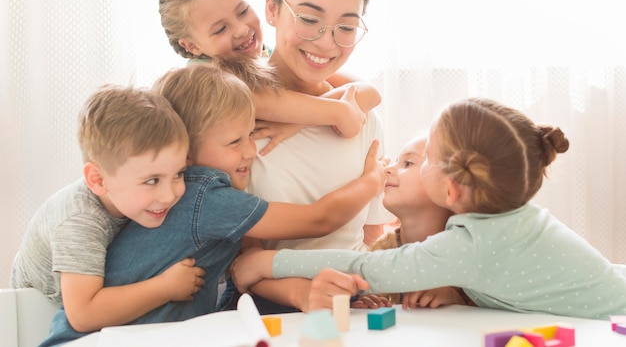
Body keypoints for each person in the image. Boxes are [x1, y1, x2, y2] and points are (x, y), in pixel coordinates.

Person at [41, 61, 386, 346]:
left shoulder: (187, 195)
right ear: (188, 153)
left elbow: (249, 255)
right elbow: (318, 220)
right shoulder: (205, 197)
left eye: (252, 134)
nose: (250, 151)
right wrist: (373, 181)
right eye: (235, 141)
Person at [231, 97, 626, 321]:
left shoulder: (471, 245)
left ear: (451, 191)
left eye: (424, 159)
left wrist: (266, 262)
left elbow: (367, 269)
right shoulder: (515, 217)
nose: (401, 166)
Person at [220, 0, 394, 314]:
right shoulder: (234, 121)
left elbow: (368, 236)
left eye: (346, 27)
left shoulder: (362, 117)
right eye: (310, 19)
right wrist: (305, 294)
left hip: (352, 301)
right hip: (267, 305)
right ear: (272, 8)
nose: (326, 42)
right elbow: (240, 259)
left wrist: (361, 292)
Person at [10, 85, 206, 338]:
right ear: (98, 180)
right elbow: (82, 314)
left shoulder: (129, 199)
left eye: (178, 174)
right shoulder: (80, 221)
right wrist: (166, 288)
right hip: (33, 316)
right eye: (152, 180)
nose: (170, 195)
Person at [158, 0, 382, 153]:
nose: (241, 30)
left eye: (243, 11)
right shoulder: (203, 78)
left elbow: (369, 91)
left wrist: (299, 123)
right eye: (220, 29)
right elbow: (266, 104)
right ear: (192, 46)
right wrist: (338, 111)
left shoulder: (267, 55)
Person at [351, 136, 470, 309]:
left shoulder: (469, 252)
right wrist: (364, 305)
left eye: (407, 163)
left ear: (449, 187)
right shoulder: (381, 252)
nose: (387, 170)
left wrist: (456, 302)